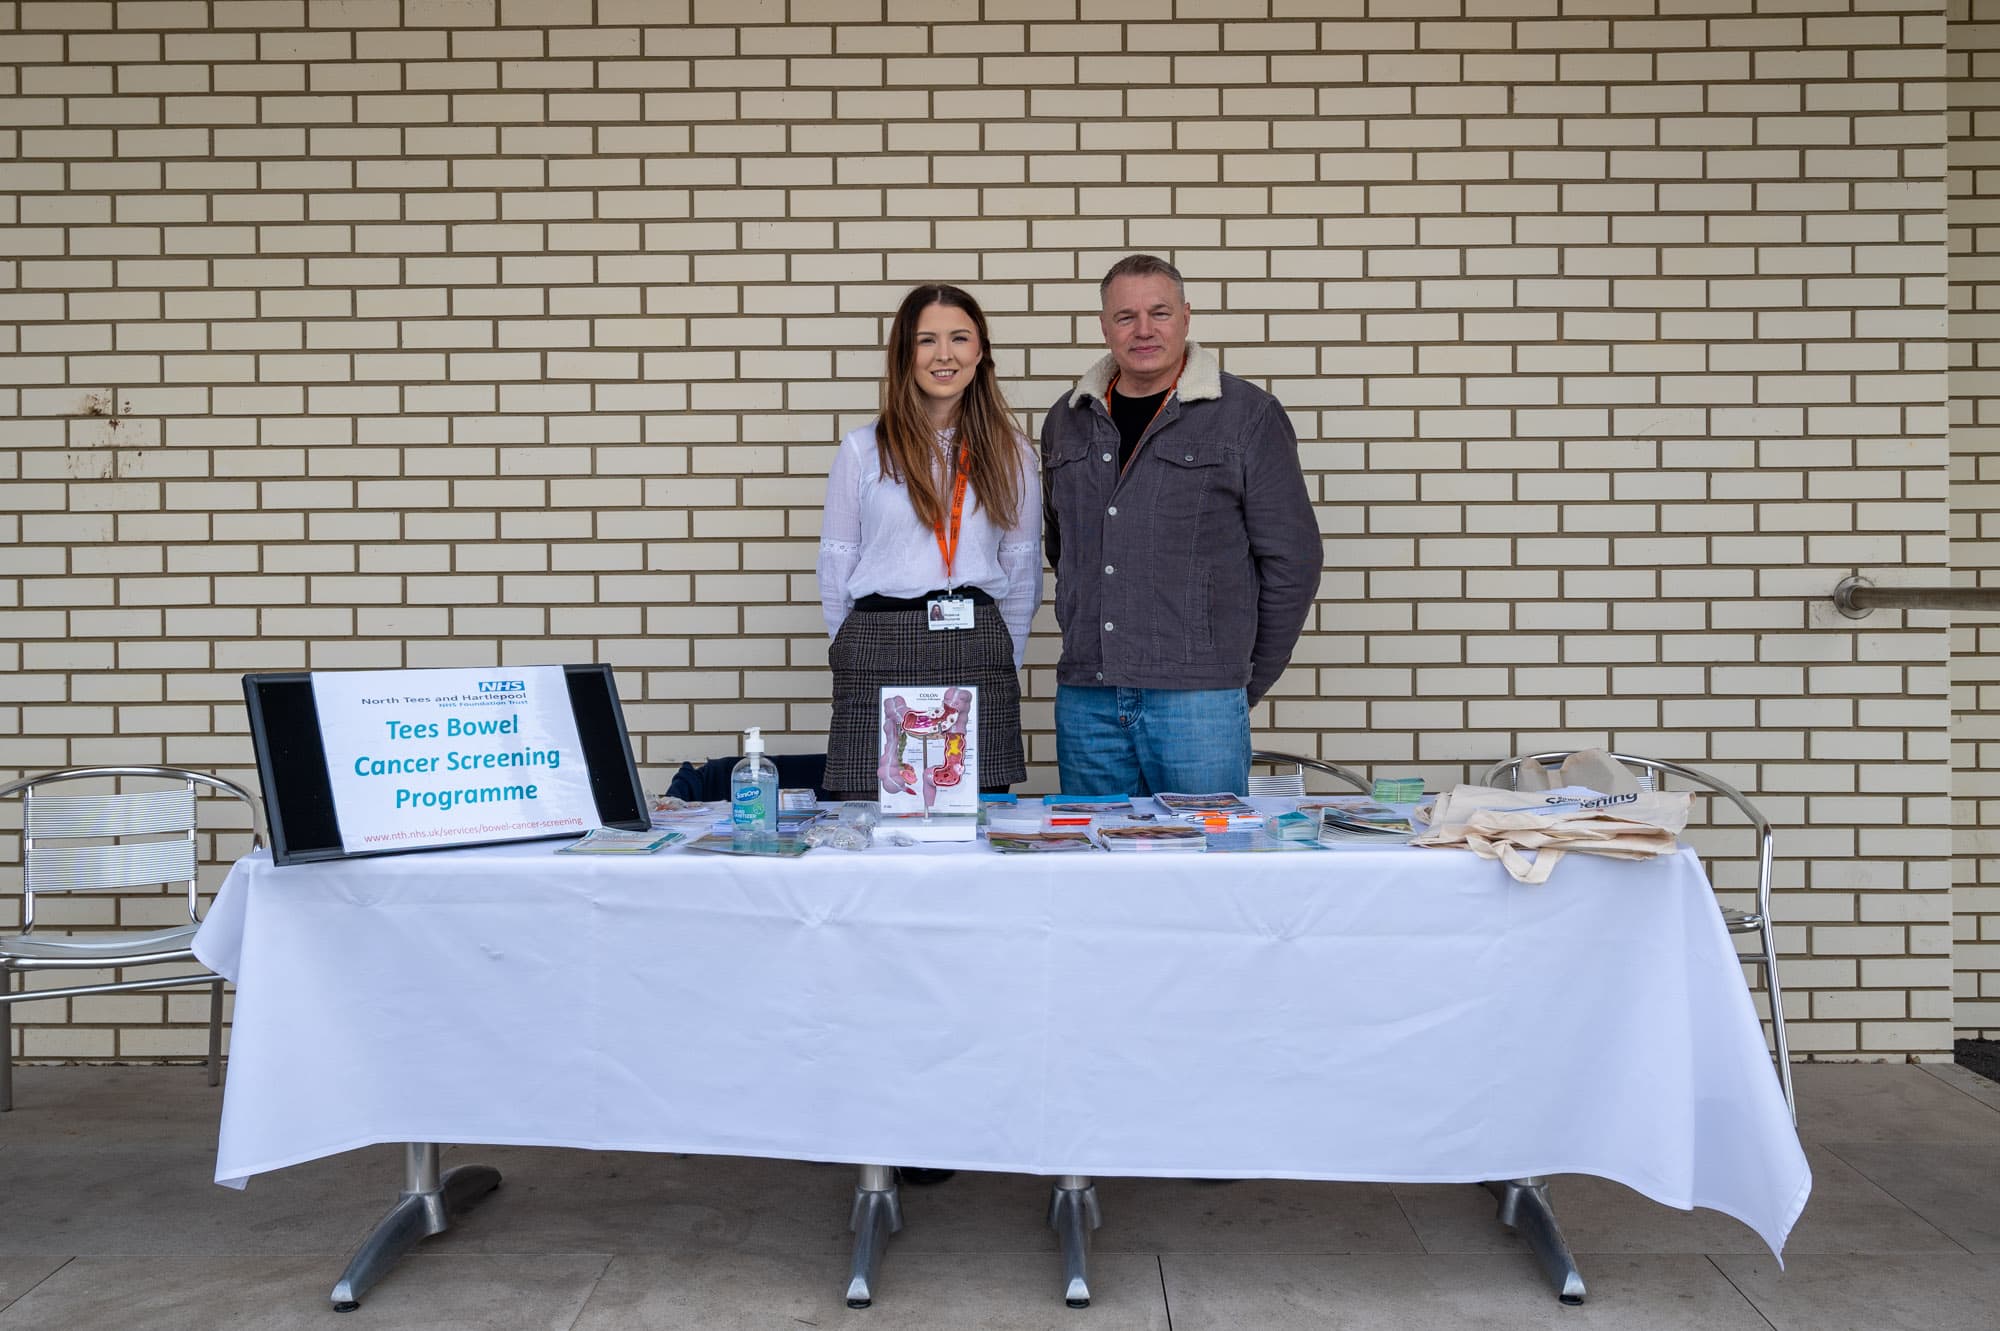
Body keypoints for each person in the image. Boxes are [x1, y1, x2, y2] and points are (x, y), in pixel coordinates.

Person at [1041, 254, 1321, 796]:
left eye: (1159, 313)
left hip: (1199, 705)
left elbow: (1293, 560)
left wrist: (1239, 679)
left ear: (1186, 318)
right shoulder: (1068, 419)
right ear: (1104, 326)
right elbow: (1065, 549)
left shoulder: (1247, 415)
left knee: (1209, 869)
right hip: (1088, 702)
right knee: (1095, 873)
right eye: (1126, 317)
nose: (1143, 329)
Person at [817, 284, 1042, 806]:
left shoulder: (1012, 453)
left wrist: (1001, 654)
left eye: (959, 338)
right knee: (871, 814)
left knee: (971, 815)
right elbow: (836, 566)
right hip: (876, 643)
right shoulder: (862, 450)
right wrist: (849, 651)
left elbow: (1022, 569)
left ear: (980, 351)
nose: (945, 355)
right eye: (927, 340)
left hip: (977, 647)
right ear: (904, 354)